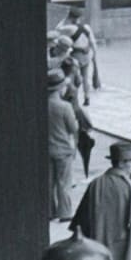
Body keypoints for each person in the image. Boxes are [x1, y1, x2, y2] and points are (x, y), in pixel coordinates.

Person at [48, 69, 78, 221]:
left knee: (49, 182)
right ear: (60, 88)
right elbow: (73, 128)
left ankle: (49, 211)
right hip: (63, 149)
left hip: (47, 149)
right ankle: (65, 212)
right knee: (64, 182)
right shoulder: (65, 107)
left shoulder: (42, 105)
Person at [57, 7, 100, 106]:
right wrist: (94, 56)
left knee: (72, 77)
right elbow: (93, 43)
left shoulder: (71, 28)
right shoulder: (87, 27)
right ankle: (87, 98)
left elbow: (58, 29)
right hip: (86, 56)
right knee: (85, 77)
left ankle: (72, 96)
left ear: (71, 17)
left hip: (76, 56)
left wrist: (64, 19)